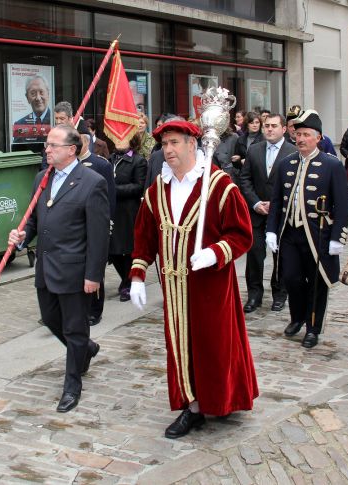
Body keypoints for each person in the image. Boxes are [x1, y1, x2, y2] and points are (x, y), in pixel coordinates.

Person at [128, 120, 258, 439]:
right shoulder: (157, 190)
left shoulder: (218, 185)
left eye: (174, 143)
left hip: (210, 287)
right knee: (180, 347)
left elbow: (242, 233)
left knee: (214, 347)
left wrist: (215, 252)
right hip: (174, 290)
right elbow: (144, 237)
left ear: (191, 144)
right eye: (164, 145)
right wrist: (137, 275)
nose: (168, 150)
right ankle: (193, 406)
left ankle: (221, 398)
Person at [8, 125, 108, 413]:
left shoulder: (92, 182)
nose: (47, 149)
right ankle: (85, 350)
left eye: (53, 145)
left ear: (71, 150)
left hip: (75, 270)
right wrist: (21, 235)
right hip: (46, 268)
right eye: (47, 145)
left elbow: (98, 236)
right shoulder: (42, 178)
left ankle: (72, 384)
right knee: (51, 319)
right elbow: (33, 221)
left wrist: (94, 276)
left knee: (75, 329)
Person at [266, 109, 348, 348]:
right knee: (290, 278)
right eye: (298, 134)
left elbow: (342, 204)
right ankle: (297, 316)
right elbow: (277, 201)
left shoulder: (331, 165)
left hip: (317, 234)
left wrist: (338, 238)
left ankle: (313, 327)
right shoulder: (286, 164)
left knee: (316, 283)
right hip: (290, 233)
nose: (300, 139)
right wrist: (272, 229)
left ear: (318, 137)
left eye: (306, 134)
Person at [238, 114, 296, 313]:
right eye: (266, 126)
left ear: (283, 129)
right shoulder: (254, 150)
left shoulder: (293, 152)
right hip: (256, 213)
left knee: (281, 255)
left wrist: (277, 204)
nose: (269, 129)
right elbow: (244, 180)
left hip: (280, 214)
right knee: (254, 253)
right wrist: (255, 203)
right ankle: (254, 294)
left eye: (274, 126)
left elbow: (295, 184)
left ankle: (280, 293)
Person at [78, 134, 116, 326]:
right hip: (76, 227)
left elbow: (110, 196)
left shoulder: (100, 165)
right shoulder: (67, 166)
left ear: (85, 141)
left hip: (95, 224)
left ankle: (95, 310)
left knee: (94, 268)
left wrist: (108, 224)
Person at [109, 135, 147, 302]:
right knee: (113, 250)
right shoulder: (110, 159)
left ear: (132, 141)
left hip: (128, 211)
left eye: (122, 138)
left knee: (127, 249)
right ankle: (125, 278)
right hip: (111, 210)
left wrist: (113, 190)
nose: (118, 141)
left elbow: (139, 186)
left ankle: (128, 282)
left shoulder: (138, 161)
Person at [13, 75, 52, 144]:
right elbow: (17, 150)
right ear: (27, 97)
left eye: (41, 92)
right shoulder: (20, 124)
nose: (38, 98)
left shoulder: (57, 121)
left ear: (48, 94)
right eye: (33, 93)